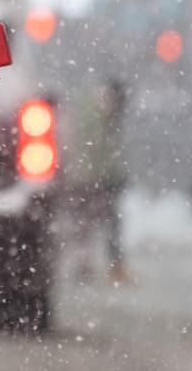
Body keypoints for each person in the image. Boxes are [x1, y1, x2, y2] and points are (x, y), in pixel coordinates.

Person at [70, 75, 130, 285]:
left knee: (94, 224)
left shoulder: (99, 112)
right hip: (90, 180)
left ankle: (88, 265)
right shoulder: (97, 115)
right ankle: (97, 266)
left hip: (93, 179)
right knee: (98, 224)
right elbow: (97, 150)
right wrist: (109, 175)